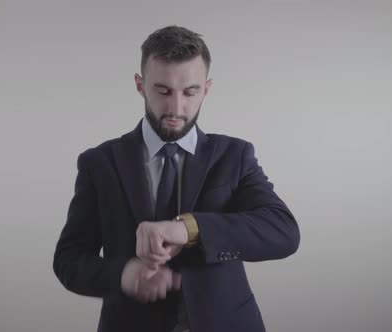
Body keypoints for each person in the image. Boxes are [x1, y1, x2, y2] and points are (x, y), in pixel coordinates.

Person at [53, 25, 300, 332]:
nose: (176, 108)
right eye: (163, 91)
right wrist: (123, 274)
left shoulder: (235, 155)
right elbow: (68, 260)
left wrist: (189, 229)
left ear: (206, 88)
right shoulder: (99, 162)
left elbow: (283, 232)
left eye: (190, 92)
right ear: (140, 85)